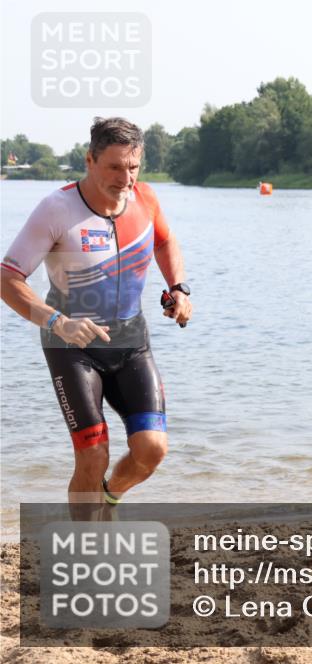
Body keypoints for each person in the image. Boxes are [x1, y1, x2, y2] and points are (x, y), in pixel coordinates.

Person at [1, 117, 193, 518]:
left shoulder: (145, 199)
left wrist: (179, 288)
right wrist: (58, 322)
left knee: (152, 449)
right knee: (92, 455)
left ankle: (108, 497)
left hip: (131, 343)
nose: (126, 179)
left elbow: (165, 239)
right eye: (114, 167)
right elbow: (8, 278)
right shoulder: (57, 209)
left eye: (133, 167)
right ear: (89, 159)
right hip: (72, 346)